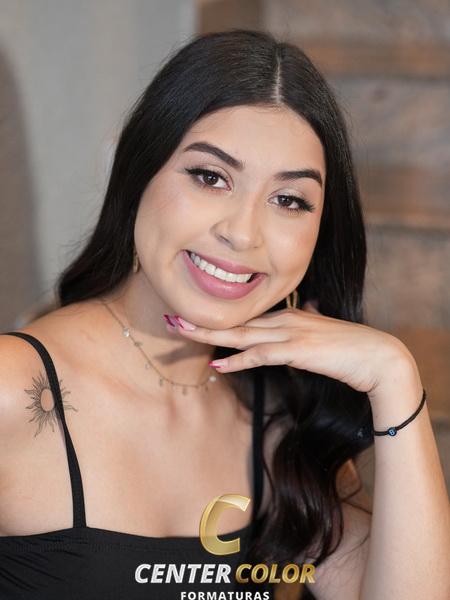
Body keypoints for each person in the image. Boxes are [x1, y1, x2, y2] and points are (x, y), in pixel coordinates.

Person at [0, 28, 449, 600]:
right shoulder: (14, 389)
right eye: (210, 177)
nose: (242, 233)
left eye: (288, 200)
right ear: (139, 175)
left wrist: (394, 374)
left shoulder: (282, 420)